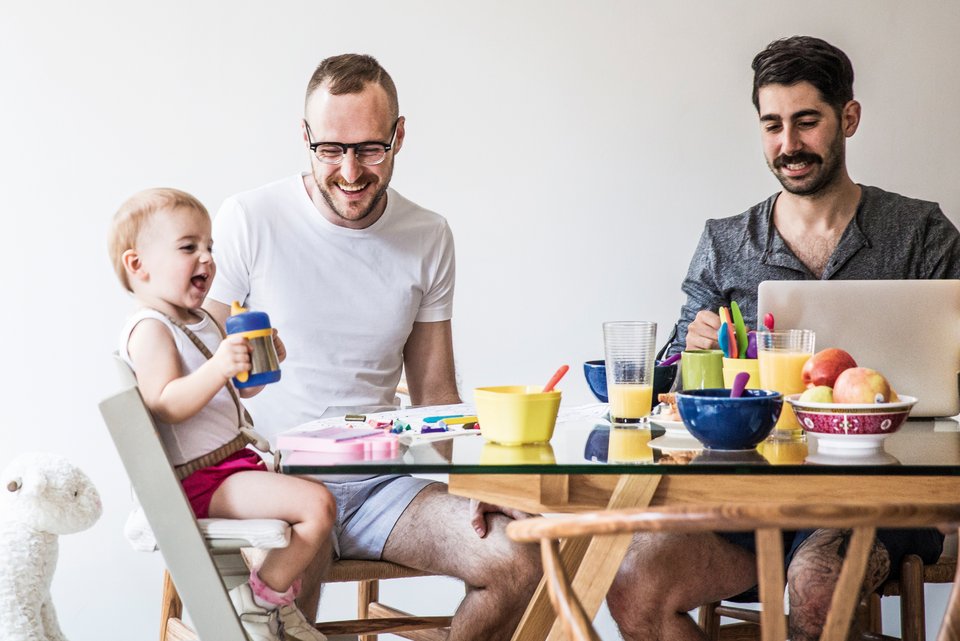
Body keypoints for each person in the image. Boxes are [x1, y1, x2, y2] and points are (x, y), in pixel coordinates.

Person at [609, 36, 960, 641]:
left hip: (877, 495)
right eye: (772, 125)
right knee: (635, 585)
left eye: (806, 122)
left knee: (818, 588)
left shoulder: (921, 232)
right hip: (750, 500)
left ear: (847, 118)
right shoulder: (725, 242)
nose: (788, 145)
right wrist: (691, 350)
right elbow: (668, 377)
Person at [204, 54, 540, 640]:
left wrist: (481, 490)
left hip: (382, 486)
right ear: (304, 137)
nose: (351, 171)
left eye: (370, 148)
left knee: (518, 560)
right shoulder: (250, 218)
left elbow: (435, 393)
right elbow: (197, 361)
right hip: (275, 478)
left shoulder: (427, 235)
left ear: (399, 135)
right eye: (330, 149)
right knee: (282, 619)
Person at [109, 188, 336, 641]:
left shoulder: (202, 321)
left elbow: (239, 391)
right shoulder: (150, 329)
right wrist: (219, 365)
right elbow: (166, 404)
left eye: (210, 246)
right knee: (317, 505)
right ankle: (258, 605)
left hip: (230, 467)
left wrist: (262, 361)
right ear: (138, 265)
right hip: (201, 480)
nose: (207, 258)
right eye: (189, 247)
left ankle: (273, 604)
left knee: (313, 497)